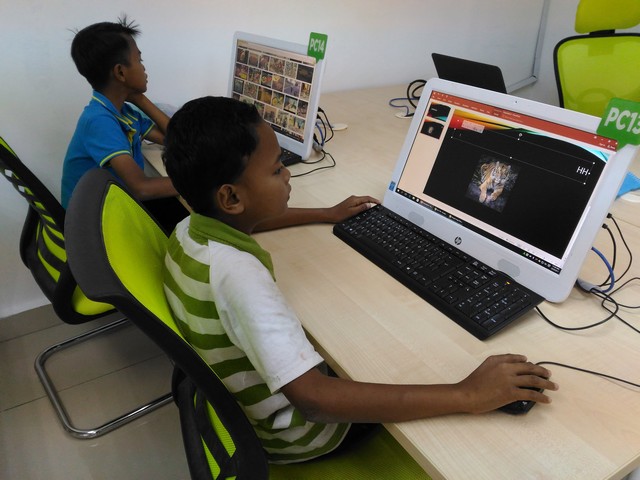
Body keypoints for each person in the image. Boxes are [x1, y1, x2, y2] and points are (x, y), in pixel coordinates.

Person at [161, 96, 559, 464]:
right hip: (301, 434)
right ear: (231, 198)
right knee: (398, 360)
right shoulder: (239, 276)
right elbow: (315, 400)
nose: (287, 175)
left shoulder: (189, 230)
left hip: (245, 404)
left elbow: (253, 216)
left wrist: (325, 213)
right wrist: (466, 394)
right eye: (277, 168)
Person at [61, 16, 186, 230]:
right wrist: (200, 183)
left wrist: (140, 99)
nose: (144, 69)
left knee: (182, 215)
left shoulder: (124, 112)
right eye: (139, 60)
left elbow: (175, 140)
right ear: (120, 72)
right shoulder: (99, 121)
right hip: (91, 224)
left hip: (112, 204)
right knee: (186, 220)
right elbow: (141, 188)